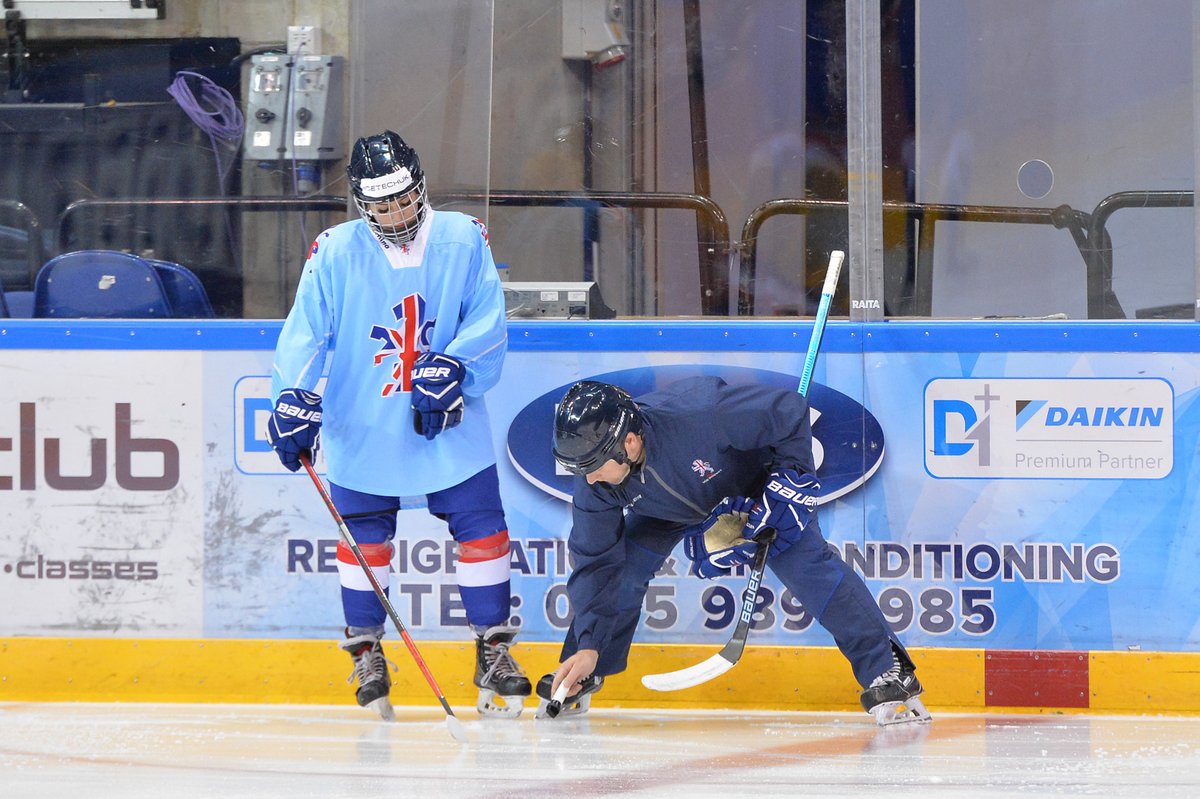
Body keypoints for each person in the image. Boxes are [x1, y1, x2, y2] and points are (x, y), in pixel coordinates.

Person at [266, 130, 531, 720]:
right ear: (363, 203)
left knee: (483, 526)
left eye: (403, 197)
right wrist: (292, 399)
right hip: (363, 417)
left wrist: (457, 366)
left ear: (420, 187)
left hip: (448, 419)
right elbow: (307, 333)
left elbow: (488, 318)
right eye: (381, 203)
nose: (395, 211)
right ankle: (365, 650)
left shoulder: (463, 238)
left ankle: (493, 648)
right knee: (364, 538)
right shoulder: (334, 251)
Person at [538, 377, 930, 726]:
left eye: (593, 465)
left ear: (629, 441)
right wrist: (589, 642)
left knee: (806, 565)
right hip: (667, 511)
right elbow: (595, 562)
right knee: (622, 569)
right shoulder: (594, 482)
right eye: (579, 468)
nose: (587, 478)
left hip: (753, 496)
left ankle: (889, 668)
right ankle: (583, 668)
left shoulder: (703, 413)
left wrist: (792, 476)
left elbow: (790, 411)